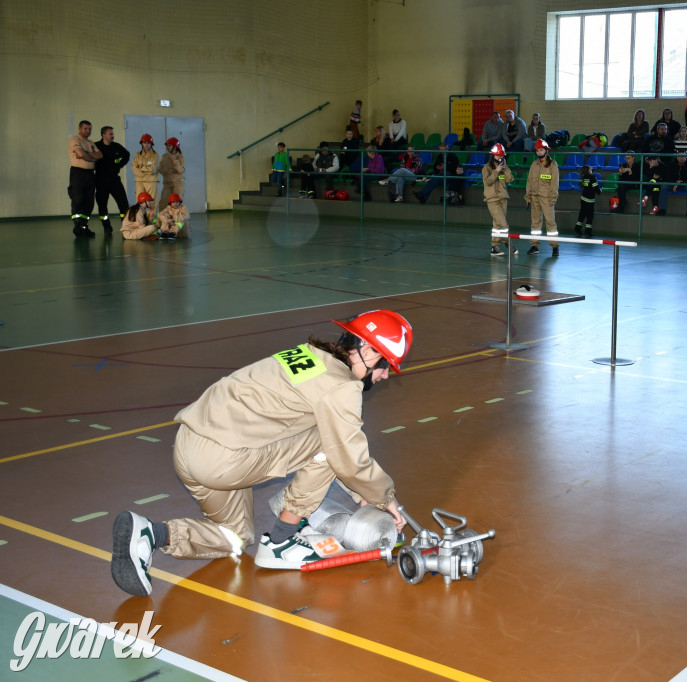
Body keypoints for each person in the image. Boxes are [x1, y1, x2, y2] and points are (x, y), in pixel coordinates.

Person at [110, 310, 413, 596]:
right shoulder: (341, 387)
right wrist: (384, 497)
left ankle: (150, 534)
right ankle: (281, 540)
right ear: (367, 351)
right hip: (224, 459)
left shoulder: (308, 354)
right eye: (385, 364)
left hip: (190, 444)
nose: (386, 374)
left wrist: (362, 494)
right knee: (329, 444)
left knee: (235, 537)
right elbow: (347, 456)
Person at [525, 139, 559, 256]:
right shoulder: (534, 164)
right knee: (535, 222)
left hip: (547, 198)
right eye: (537, 150)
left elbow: (555, 183)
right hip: (534, 197)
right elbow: (529, 181)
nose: (539, 152)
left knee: (550, 222)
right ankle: (534, 246)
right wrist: (528, 197)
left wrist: (553, 198)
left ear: (546, 150)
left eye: (541, 150)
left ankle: (555, 247)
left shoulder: (553, 165)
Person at [68, 120, 102, 238]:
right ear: (80, 128)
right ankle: (77, 227)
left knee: (89, 201)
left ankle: (84, 226)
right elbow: (80, 154)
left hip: (90, 174)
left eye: (89, 129)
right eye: (85, 128)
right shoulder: (74, 140)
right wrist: (92, 157)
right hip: (78, 173)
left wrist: (86, 154)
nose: (88, 131)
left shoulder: (90, 142)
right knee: (78, 199)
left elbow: (100, 155)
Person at [94, 126, 131, 235]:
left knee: (123, 204)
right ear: (104, 135)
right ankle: (107, 227)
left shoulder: (116, 146)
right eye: (110, 134)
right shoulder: (96, 146)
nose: (113, 136)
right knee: (102, 205)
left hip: (114, 180)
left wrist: (119, 165)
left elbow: (127, 155)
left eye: (112, 133)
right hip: (100, 180)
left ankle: (125, 226)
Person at [482, 143, 516, 256]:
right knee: (503, 224)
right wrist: (496, 171)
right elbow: (488, 182)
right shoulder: (486, 168)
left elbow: (510, 179)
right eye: (497, 156)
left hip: (503, 198)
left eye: (501, 156)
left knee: (497, 224)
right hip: (492, 199)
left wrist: (505, 168)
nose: (499, 158)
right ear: (493, 156)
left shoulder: (503, 168)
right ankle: (508, 243)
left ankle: (495, 247)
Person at [158, 137, 185, 210]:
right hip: (167, 183)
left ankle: (178, 216)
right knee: (163, 202)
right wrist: (171, 170)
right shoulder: (164, 156)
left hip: (178, 183)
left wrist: (174, 160)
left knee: (176, 202)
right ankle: (162, 216)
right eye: (167, 145)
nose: (167, 147)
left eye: (169, 145)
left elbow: (181, 170)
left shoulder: (180, 157)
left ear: (175, 147)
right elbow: (160, 169)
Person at [574, 164, 601, 232]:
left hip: (583, 198)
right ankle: (588, 230)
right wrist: (600, 191)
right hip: (589, 200)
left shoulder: (585, 177)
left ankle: (578, 228)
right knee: (590, 215)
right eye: (591, 169)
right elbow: (595, 187)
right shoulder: (592, 177)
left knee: (582, 214)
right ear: (589, 170)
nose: (592, 170)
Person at [132, 134, 159, 203]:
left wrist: (141, 167)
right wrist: (143, 173)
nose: (146, 145)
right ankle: (140, 211)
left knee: (152, 201)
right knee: (140, 201)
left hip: (151, 180)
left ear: (151, 144)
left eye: (148, 143)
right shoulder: (138, 155)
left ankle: (151, 211)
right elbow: (134, 167)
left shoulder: (155, 155)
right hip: (139, 180)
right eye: (144, 143)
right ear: (142, 143)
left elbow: (153, 169)